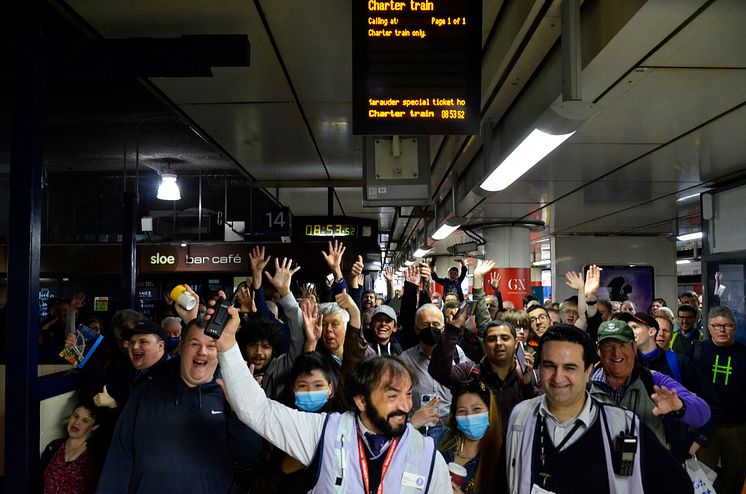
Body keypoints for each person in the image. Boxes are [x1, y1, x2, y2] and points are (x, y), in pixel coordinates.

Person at [213, 300, 453, 493]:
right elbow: (258, 411)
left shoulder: (428, 456)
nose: (405, 405)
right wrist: (227, 346)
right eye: (392, 396)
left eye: (408, 394)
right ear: (361, 400)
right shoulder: (323, 432)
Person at [500, 324, 693, 493]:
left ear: (588, 371)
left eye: (570, 368)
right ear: (539, 369)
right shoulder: (520, 416)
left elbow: (678, 485)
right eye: (550, 366)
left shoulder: (623, 425)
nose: (558, 378)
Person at [96, 318, 263, 493]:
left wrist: (239, 411)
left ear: (220, 352)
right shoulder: (144, 394)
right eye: (194, 344)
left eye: (211, 346)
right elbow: (119, 460)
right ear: (181, 347)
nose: (202, 352)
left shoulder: (231, 398)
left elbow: (247, 456)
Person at [589, 320, 711, 449]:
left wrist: (679, 407)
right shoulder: (584, 386)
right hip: (600, 467)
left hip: (648, 467)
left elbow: (702, 413)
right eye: (608, 346)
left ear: (634, 348)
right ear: (599, 351)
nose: (616, 353)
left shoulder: (652, 380)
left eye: (622, 345)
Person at [622, 311, 720, 461]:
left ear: (651, 331)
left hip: (673, 450)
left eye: (635, 327)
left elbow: (709, 400)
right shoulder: (624, 365)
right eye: (627, 328)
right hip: (636, 449)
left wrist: (699, 439)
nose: (630, 332)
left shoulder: (678, 362)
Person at [689, 306, 746, 494]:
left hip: (737, 427)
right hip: (705, 426)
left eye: (727, 326)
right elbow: (687, 388)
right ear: (709, 327)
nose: (722, 330)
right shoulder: (696, 351)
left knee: (736, 474)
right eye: (717, 325)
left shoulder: (743, 353)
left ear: (734, 329)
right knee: (704, 475)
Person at [400, 302, 471, 425]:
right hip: (420, 430)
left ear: (443, 328)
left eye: (435, 324)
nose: (431, 328)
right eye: (426, 325)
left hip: (450, 428)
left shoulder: (456, 353)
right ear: (417, 329)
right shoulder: (405, 359)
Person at [433, 379, 501, 494]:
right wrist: (414, 424)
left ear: (489, 411)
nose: (469, 416)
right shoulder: (438, 439)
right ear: (454, 417)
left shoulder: (500, 456)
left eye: (477, 409)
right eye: (462, 411)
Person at [41, 399, 103, 494]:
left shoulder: (94, 455)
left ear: (94, 426)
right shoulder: (53, 447)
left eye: (85, 421)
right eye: (75, 416)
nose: (76, 423)